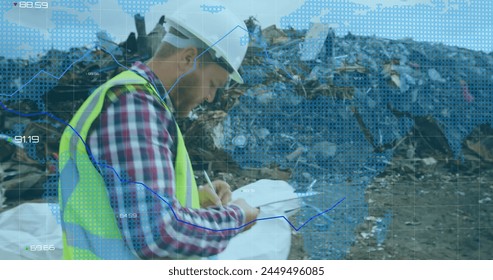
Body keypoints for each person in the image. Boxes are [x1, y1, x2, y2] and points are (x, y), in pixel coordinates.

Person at [57, 0, 259, 260]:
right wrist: (236, 216)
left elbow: (123, 203)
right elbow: (158, 235)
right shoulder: (135, 106)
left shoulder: (137, 99)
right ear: (188, 59)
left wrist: (195, 200)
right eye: (212, 83)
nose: (210, 97)